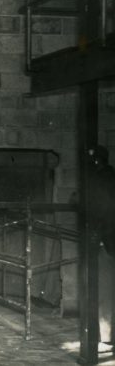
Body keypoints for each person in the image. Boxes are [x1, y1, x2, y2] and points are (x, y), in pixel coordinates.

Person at [88, 145, 115, 344]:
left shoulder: (99, 180)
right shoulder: (112, 176)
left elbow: (100, 209)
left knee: (104, 288)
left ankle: (105, 335)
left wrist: (95, 234)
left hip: (106, 240)